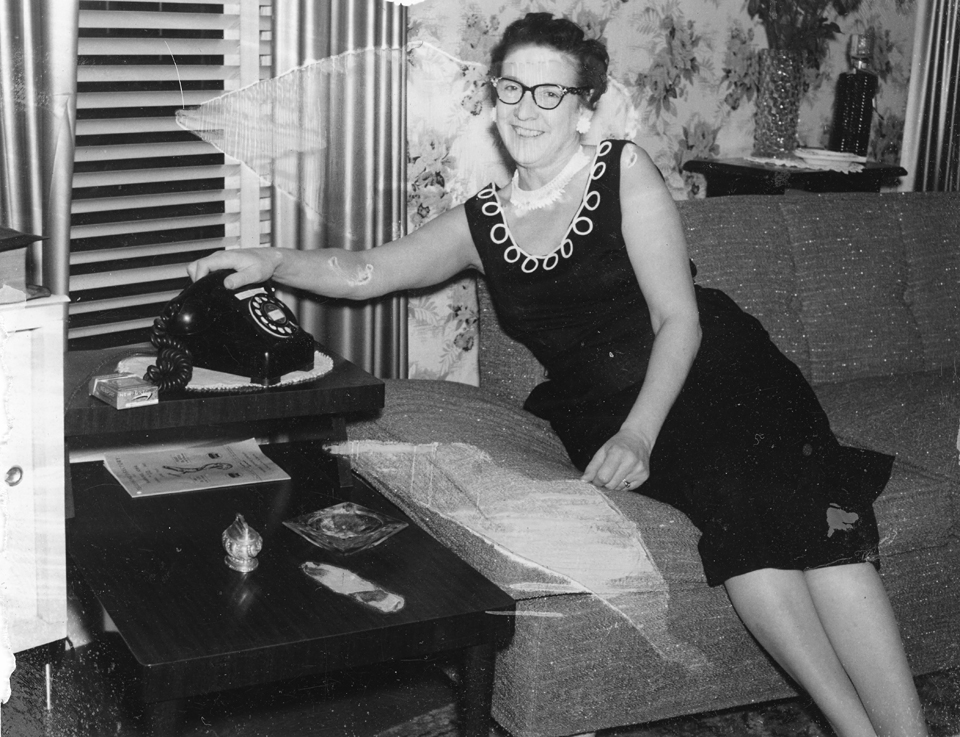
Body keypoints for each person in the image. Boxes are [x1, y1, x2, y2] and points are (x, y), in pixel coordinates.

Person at [189, 13, 929, 737]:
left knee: (794, 503)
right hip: (596, 404)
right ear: (494, 99)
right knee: (743, 515)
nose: (527, 108)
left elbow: (679, 319)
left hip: (716, 371)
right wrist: (272, 260)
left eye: (550, 92)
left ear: (584, 107)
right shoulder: (481, 222)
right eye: (512, 89)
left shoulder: (622, 171)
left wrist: (639, 436)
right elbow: (366, 271)